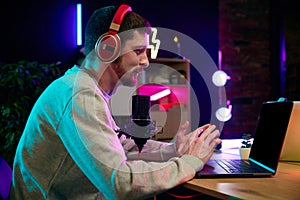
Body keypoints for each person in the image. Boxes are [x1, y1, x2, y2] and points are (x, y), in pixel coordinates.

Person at [9, 4, 221, 200]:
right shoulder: (79, 94)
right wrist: (190, 162)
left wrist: (173, 150)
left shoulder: (87, 88)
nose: (146, 61)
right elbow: (120, 184)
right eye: (138, 51)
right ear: (107, 49)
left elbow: (121, 148)